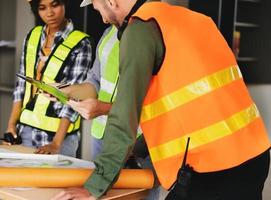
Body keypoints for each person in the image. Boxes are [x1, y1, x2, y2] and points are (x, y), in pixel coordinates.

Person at [52, 0, 270, 199]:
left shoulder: (140, 29)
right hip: (254, 156)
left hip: (212, 168)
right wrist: (137, 149)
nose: (104, 19)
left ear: (111, 1)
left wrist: (94, 187)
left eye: (99, 9)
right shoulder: (194, 19)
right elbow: (184, 102)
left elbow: (126, 113)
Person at [60, 24, 160, 200]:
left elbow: (154, 101)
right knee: (98, 194)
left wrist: (103, 108)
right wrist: (66, 91)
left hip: (138, 140)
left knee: (141, 196)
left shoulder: (150, 35)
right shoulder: (109, 33)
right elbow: (95, 83)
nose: (99, 12)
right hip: (102, 136)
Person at [5, 0, 93, 157]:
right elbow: (21, 86)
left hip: (59, 137)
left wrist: (56, 143)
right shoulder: (32, 36)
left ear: (65, 4)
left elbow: (75, 99)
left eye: (55, 5)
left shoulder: (81, 43)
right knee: (24, 181)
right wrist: (11, 125)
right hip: (25, 130)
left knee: (56, 182)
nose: (50, 13)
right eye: (42, 8)